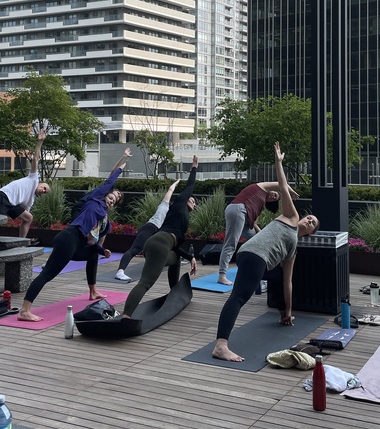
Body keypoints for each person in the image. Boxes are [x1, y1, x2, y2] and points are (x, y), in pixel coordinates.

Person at [212, 142, 320, 362]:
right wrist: (278, 163)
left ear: (309, 233)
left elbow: (288, 283)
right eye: (309, 217)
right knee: (240, 297)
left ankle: (282, 315)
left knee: (279, 277)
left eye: (313, 223)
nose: (309, 220)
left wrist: (288, 310)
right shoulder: (290, 216)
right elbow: (281, 185)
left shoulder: (293, 250)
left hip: (258, 260)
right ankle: (221, 345)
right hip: (253, 255)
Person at [17, 149, 132, 321]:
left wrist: (103, 251)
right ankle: (25, 310)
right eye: (111, 196)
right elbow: (111, 178)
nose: (112, 199)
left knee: (93, 253)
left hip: (78, 244)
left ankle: (93, 291)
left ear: (113, 206)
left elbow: (93, 242)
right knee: (47, 274)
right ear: (105, 194)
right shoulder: (95, 199)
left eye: (114, 200)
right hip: (69, 238)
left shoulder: (104, 221)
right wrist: (123, 161)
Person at [121, 156, 200, 319]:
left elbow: (176, 248)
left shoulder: (180, 220)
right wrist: (194, 167)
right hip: (159, 243)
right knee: (146, 282)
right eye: (192, 201)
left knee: (175, 258)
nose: (193, 203)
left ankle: (174, 292)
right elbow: (190, 185)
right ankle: (126, 315)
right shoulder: (179, 203)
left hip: (160, 244)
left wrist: (191, 257)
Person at [217, 178, 298, 285]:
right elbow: (282, 184)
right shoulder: (260, 187)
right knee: (231, 243)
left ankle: (257, 269)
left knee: (255, 242)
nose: (273, 197)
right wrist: (291, 192)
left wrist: (262, 236)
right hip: (238, 209)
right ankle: (222, 275)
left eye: (275, 199)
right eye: (275, 194)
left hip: (246, 220)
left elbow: (254, 224)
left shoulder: (259, 205)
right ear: (271, 190)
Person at [0, 131, 49, 239]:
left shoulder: (30, 200)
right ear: (40, 184)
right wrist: (40, 141)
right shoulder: (33, 179)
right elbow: (35, 159)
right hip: (3, 197)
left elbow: (24, 215)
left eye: (45, 192)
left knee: (28, 218)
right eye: (44, 188)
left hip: (12, 204)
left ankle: (21, 243)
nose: (43, 191)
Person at [115, 179, 181, 282]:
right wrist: (176, 183)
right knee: (135, 249)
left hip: (159, 233)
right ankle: (120, 272)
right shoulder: (164, 206)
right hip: (150, 227)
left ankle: (159, 264)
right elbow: (170, 190)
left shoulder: (174, 216)